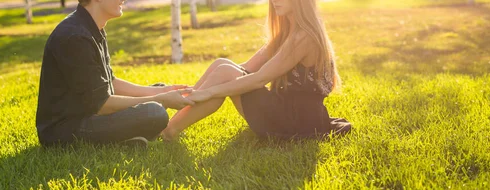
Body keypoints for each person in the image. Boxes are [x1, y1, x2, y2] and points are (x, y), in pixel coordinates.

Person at [162, 0, 351, 141]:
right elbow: (244, 68)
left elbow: (259, 79)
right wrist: (205, 88)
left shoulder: (304, 37)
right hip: (285, 111)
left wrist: (210, 91)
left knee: (225, 72)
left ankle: (169, 131)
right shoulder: (286, 35)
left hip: (298, 122)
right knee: (222, 64)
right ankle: (174, 116)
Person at [36, 0, 194, 147]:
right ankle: (122, 142)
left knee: (160, 89)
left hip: (88, 113)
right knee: (155, 111)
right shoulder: (74, 37)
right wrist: (161, 100)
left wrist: (162, 92)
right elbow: (102, 105)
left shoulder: (92, 27)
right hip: (65, 130)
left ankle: (127, 139)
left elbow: (110, 82)